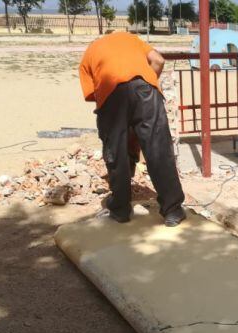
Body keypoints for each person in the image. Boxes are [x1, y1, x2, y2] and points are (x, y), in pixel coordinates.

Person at [79, 32, 186, 227]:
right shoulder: (131, 39)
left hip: (111, 94)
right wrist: (147, 85)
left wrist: (118, 123)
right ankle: (173, 211)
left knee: (115, 150)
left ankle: (120, 208)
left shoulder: (91, 51)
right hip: (146, 88)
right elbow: (159, 61)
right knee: (158, 148)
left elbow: (93, 94)